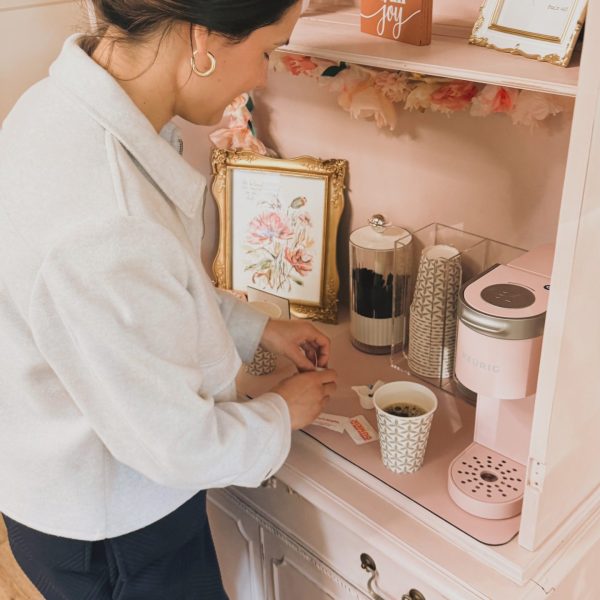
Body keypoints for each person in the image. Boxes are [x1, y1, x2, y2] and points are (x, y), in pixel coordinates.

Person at [0, 0, 337, 597]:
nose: (263, 77)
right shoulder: (104, 219)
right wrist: (284, 411)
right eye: (266, 50)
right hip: (111, 526)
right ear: (203, 40)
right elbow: (175, 445)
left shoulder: (55, 106)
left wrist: (260, 328)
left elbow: (144, 301)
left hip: (57, 478)